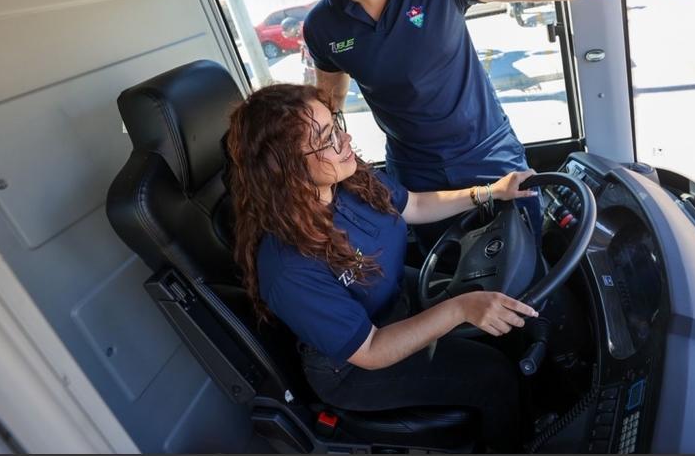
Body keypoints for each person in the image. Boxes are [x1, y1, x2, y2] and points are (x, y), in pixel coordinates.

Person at [302, 0, 695, 249]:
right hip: (415, 174)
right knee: (449, 275)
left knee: (527, 260)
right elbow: (328, 102)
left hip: (489, 155)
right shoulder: (324, 26)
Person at [225, 83, 539, 451]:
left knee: (509, 324)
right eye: (326, 139)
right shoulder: (288, 268)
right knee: (492, 375)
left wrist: (490, 192)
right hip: (354, 369)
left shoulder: (349, 181)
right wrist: (460, 309)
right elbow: (371, 349)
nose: (345, 139)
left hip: (393, 298)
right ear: (286, 168)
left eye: (336, 125)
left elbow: (415, 206)